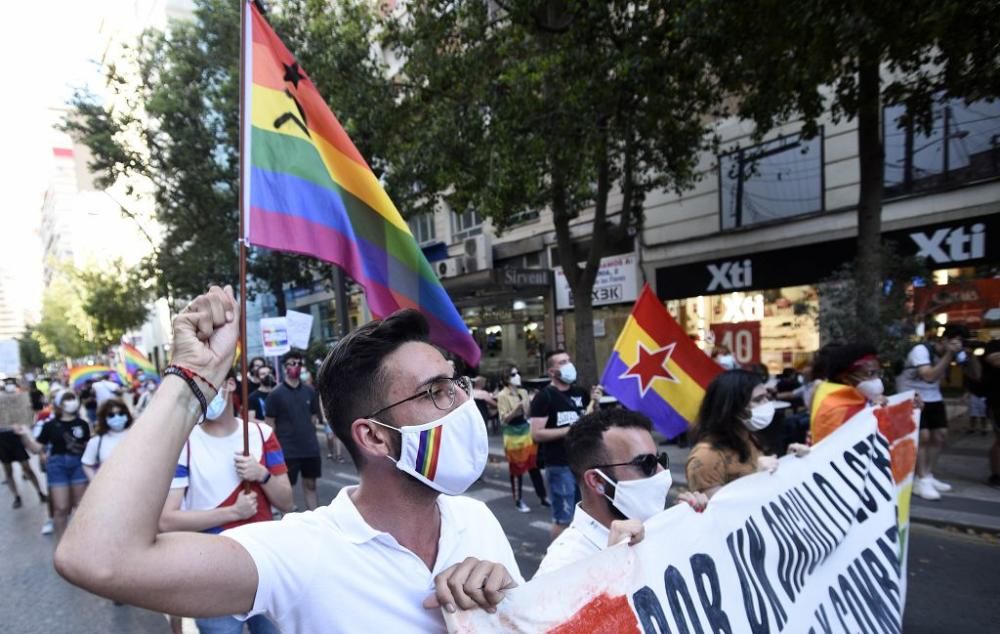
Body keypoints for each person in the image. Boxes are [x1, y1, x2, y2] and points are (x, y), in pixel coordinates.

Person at [54, 286, 519, 632]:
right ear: (374, 436)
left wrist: (508, 600)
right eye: (435, 392)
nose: (463, 402)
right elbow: (99, 559)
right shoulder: (303, 552)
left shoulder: (477, 520)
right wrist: (191, 380)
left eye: (455, 383)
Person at [160, 369, 293, 634]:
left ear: (230, 384)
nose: (202, 395)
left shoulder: (262, 434)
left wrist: (262, 475)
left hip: (264, 565)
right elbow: (167, 520)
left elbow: (287, 502)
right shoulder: (183, 443)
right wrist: (233, 512)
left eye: (208, 385)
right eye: (194, 389)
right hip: (212, 571)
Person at [537, 408, 708, 575]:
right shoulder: (563, 568)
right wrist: (612, 568)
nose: (662, 471)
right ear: (597, 481)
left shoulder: (657, 528)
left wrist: (697, 531)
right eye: (646, 463)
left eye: (660, 459)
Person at [686, 369, 808, 497]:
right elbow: (715, 510)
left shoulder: (748, 436)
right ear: (733, 407)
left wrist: (791, 461)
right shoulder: (706, 457)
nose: (767, 404)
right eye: (758, 399)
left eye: (767, 397)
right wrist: (757, 479)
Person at [896, 324, 975, 500]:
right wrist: (948, 354)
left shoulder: (956, 353)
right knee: (922, 436)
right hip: (912, 397)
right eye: (955, 341)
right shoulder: (921, 350)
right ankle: (920, 479)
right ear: (945, 340)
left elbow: (975, 375)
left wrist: (968, 358)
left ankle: (927, 475)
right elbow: (929, 376)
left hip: (934, 398)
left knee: (940, 435)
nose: (958, 346)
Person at [529, 350, 600, 540]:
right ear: (552, 371)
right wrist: (569, 430)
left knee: (584, 515)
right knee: (563, 519)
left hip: (582, 464)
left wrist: (596, 402)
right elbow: (536, 434)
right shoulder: (544, 397)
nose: (569, 365)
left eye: (569, 360)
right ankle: (556, 563)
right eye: (562, 362)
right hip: (559, 465)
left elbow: (590, 420)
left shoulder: (580, 393)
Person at [16, 390, 90, 540]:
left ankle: (83, 540)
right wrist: (24, 435)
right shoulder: (50, 425)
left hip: (78, 465)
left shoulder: (82, 424)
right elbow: (36, 448)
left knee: (81, 506)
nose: (71, 402)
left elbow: (89, 446)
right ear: (59, 404)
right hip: (57, 466)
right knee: (61, 508)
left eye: (72, 398)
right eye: (66, 399)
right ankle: (62, 543)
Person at [265, 351, 322, 510]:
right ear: (284, 368)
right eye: (292, 363)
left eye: (299, 363)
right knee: (286, 489)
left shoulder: (309, 391)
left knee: (311, 485)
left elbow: (313, 417)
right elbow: (269, 424)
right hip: (287, 449)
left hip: (310, 448)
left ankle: (315, 519)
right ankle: (288, 523)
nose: (296, 367)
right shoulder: (275, 394)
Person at [496, 366, 548, 512]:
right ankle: (518, 500)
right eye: (513, 374)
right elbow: (503, 419)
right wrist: (516, 410)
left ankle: (542, 497)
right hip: (512, 436)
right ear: (507, 379)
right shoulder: (502, 395)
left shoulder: (523, 392)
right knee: (517, 470)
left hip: (526, 432)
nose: (517, 376)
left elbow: (529, 413)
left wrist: (533, 401)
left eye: (518, 373)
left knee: (534, 465)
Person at [0, 378, 47, 509]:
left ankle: (40, 493)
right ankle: (17, 496)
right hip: (2, 439)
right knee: (8, 471)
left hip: (15, 436)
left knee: (27, 468)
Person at [81, 398, 134, 481]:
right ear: (104, 418)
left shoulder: (137, 434)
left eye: (121, 413)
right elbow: (87, 465)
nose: (117, 417)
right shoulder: (97, 441)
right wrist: (95, 482)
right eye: (111, 415)